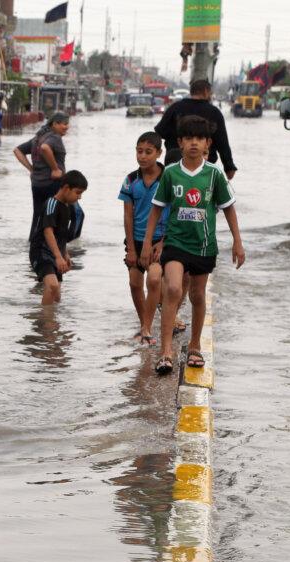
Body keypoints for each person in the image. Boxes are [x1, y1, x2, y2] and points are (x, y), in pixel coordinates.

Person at [141, 115, 245, 375]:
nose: (194, 144)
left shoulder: (214, 175)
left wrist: (237, 242)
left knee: (197, 295)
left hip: (204, 246)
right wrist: (146, 242)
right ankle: (165, 352)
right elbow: (156, 210)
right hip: (175, 242)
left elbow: (229, 209)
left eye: (199, 139)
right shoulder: (171, 174)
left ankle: (195, 346)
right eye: (189, 139)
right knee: (174, 289)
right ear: (180, 142)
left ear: (208, 144)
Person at [118, 132, 170, 345]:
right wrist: (131, 248)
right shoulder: (131, 180)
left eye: (148, 152)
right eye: (139, 151)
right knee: (134, 283)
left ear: (159, 153)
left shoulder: (168, 178)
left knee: (155, 278)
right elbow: (128, 216)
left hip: (160, 240)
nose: (143, 156)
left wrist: (163, 242)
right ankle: (144, 325)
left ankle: (149, 326)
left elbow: (175, 213)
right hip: (136, 241)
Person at [155, 79, 236, 180]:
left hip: (174, 166)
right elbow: (223, 143)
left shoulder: (175, 108)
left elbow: (159, 132)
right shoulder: (214, 113)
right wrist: (229, 167)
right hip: (204, 169)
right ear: (206, 91)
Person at [30, 169, 88, 305]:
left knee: (56, 297)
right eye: (78, 193)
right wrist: (58, 257)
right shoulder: (52, 204)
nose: (79, 197)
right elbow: (48, 231)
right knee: (52, 286)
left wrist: (64, 254)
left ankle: (49, 321)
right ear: (67, 188)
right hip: (41, 251)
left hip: (55, 252)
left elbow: (60, 235)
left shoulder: (67, 207)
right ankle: (45, 323)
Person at [14, 111, 70, 238]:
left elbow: (18, 150)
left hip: (37, 184)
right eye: (64, 124)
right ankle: (54, 246)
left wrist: (31, 169)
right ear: (55, 124)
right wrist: (55, 169)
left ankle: (33, 243)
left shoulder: (38, 138)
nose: (67, 127)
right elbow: (45, 148)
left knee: (38, 216)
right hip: (52, 184)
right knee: (54, 216)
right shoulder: (54, 137)